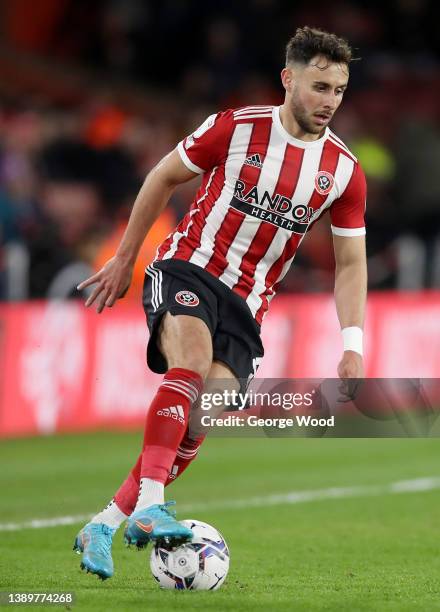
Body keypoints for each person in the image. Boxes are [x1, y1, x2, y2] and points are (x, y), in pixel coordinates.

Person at [73, 26, 367, 580]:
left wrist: (352, 343)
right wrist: (124, 257)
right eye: (319, 86)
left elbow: (351, 263)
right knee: (189, 357)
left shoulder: (344, 172)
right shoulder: (237, 128)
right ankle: (152, 503)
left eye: (339, 91)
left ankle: (106, 523)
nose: (329, 101)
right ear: (289, 79)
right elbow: (162, 177)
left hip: (248, 306)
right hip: (190, 266)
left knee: (202, 413)